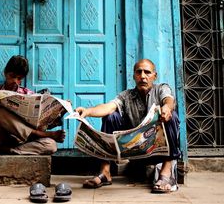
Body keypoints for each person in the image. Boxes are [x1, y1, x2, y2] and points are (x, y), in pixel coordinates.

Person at [75, 59, 180, 193]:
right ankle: (105, 172)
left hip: (158, 151)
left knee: (172, 116)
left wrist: (167, 107)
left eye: (147, 72)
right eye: (139, 72)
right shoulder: (126, 96)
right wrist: (88, 111)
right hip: (136, 151)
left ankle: (166, 173)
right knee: (111, 116)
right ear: (134, 76)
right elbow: (109, 107)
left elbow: (168, 99)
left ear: (155, 76)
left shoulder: (161, 88)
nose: (142, 76)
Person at [0, 55, 66, 155]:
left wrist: (58, 113)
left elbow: (40, 123)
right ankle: (38, 136)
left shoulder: (28, 94)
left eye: (19, 78)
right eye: (12, 76)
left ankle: (8, 150)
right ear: (5, 73)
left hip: (20, 141)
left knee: (51, 145)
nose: (15, 81)